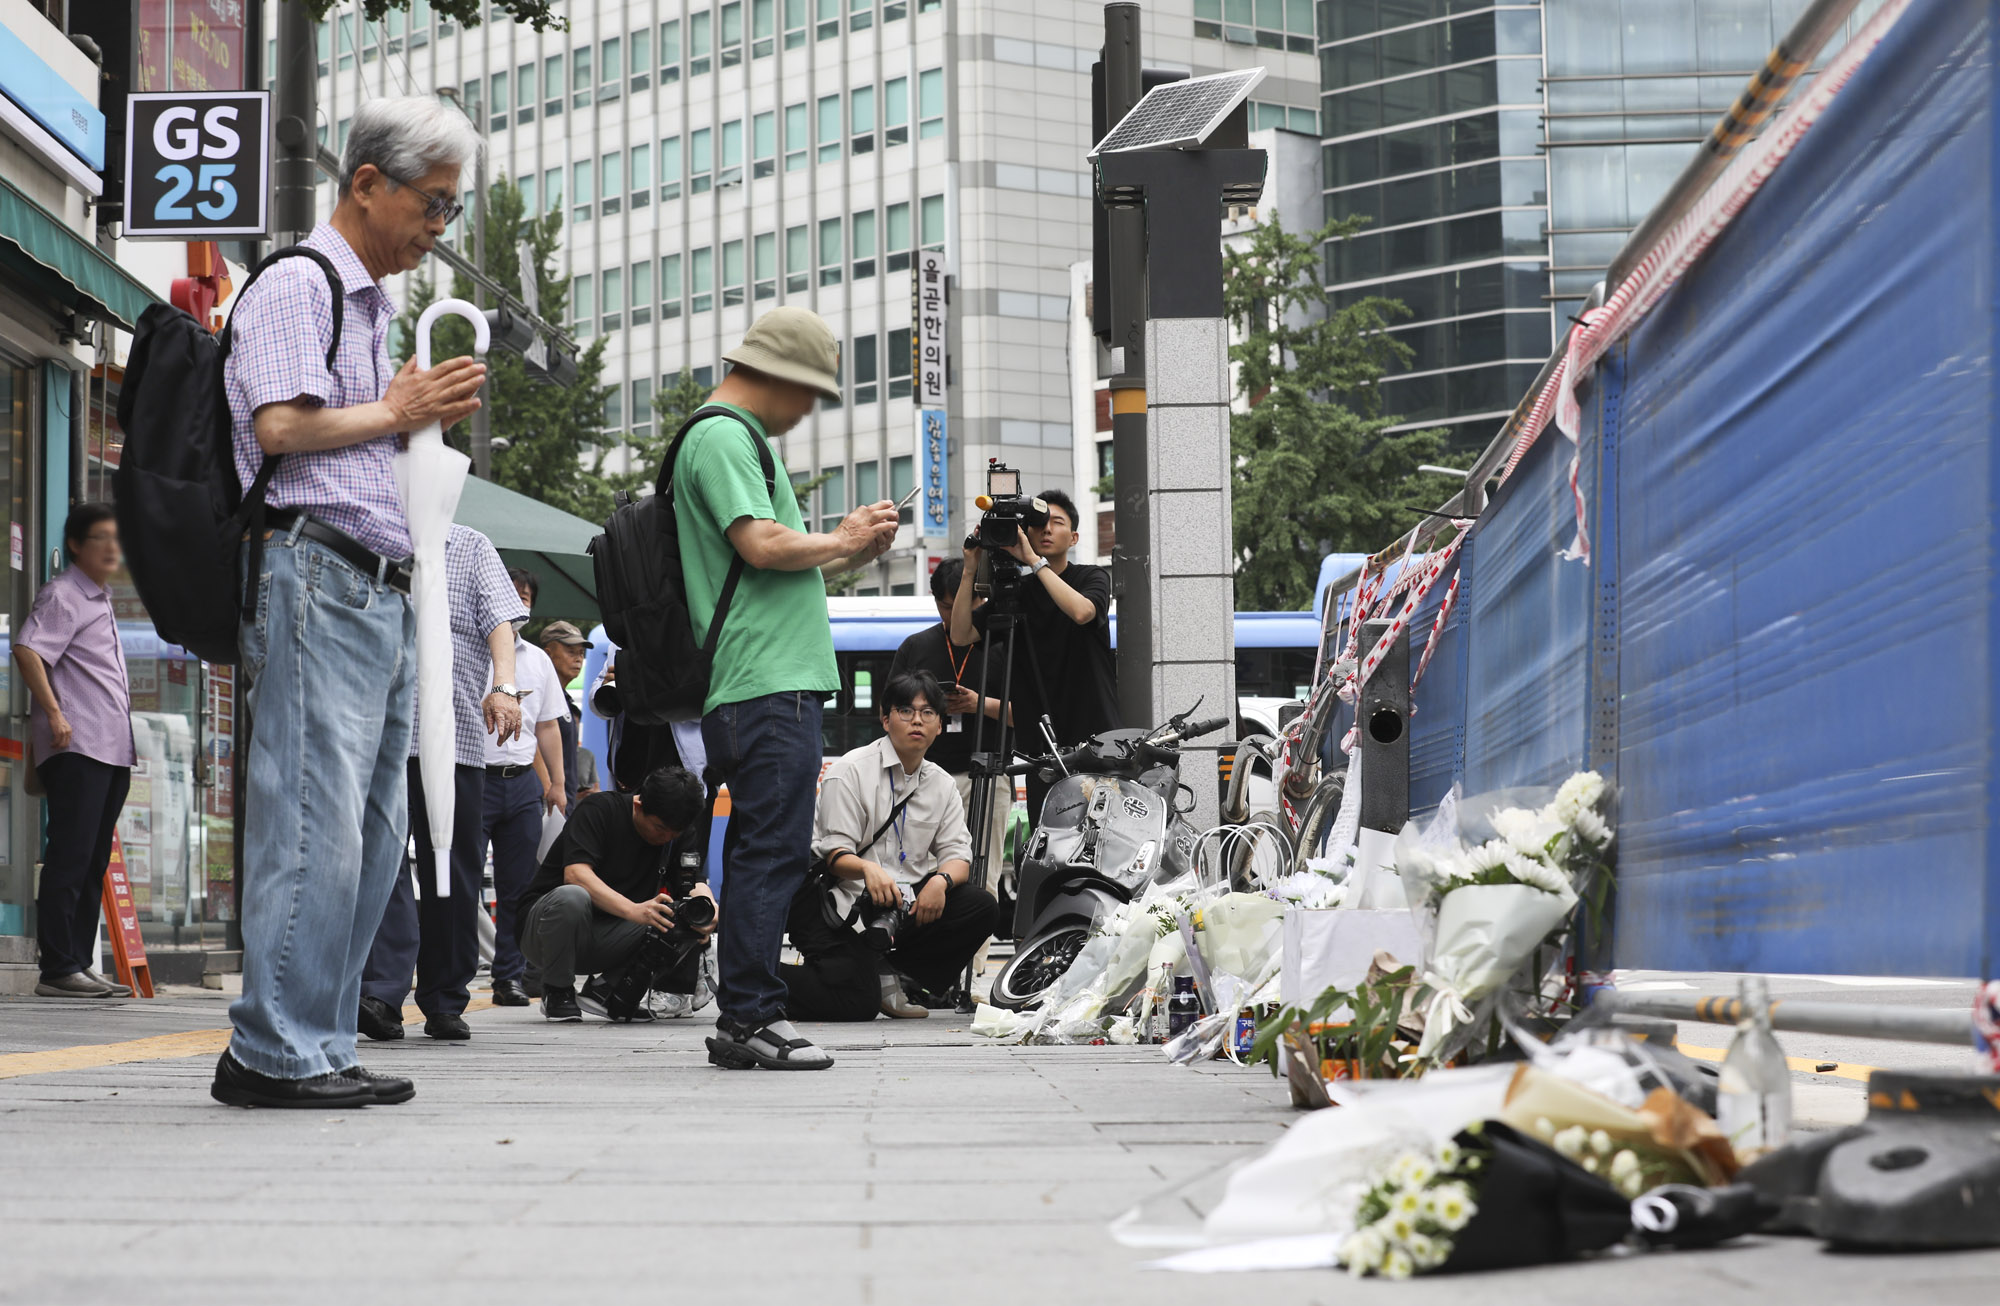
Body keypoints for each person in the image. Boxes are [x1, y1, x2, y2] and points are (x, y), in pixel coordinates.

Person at [212, 96, 485, 1109]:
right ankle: (271, 1047)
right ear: (367, 183)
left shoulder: (368, 303)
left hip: (374, 582)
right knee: (315, 823)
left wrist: (402, 416)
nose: (439, 228)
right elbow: (280, 427)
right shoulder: (301, 281)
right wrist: (399, 408)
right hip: (315, 572)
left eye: (451, 210)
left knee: (371, 835)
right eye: (434, 204)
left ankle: (318, 1036)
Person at [676, 307, 899, 1071]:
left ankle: (747, 1017)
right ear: (775, 374)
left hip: (765, 682)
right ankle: (750, 1018)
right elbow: (761, 545)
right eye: (807, 393)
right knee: (769, 853)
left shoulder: (728, 440)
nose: (806, 412)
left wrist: (847, 541)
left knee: (760, 850)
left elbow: (774, 558)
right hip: (765, 683)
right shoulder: (724, 436)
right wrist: (843, 541)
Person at [358, 523, 525, 1042]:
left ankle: (445, 997)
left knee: (452, 867)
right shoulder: (372, 531)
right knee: (382, 860)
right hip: (381, 733)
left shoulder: (471, 545)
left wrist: (504, 685)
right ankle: (381, 992)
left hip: (455, 737)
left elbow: (502, 623)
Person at [782, 672, 998, 1021]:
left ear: (940, 726)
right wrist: (868, 869)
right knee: (858, 1004)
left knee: (980, 906)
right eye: (905, 711)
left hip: (900, 909)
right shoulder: (848, 771)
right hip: (841, 907)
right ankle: (761, 980)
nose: (917, 720)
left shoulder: (941, 784)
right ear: (886, 719)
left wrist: (939, 883)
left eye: (928, 713)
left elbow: (958, 856)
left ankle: (894, 974)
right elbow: (834, 853)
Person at [14, 504, 135, 999]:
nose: (112, 548)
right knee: (70, 854)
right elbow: (27, 649)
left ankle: (76, 965)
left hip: (110, 749)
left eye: (116, 537)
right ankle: (58, 966)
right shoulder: (64, 595)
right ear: (78, 546)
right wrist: (55, 713)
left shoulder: (99, 599)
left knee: (92, 861)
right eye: (101, 538)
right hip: (78, 745)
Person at [951, 488, 1118, 827]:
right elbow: (961, 634)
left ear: (1073, 537)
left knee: (1098, 839)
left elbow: (1083, 612)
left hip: (1094, 740)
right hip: (1040, 748)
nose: (1045, 530)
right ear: (1024, 532)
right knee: (1048, 842)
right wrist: (970, 570)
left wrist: (1033, 562)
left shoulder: (1092, 577)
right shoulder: (1017, 593)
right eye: (1037, 524)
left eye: (1056, 523)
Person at [516, 766, 712, 1021]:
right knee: (573, 896)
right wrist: (634, 910)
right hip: (547, 932)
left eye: (674, 834)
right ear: (639, 805)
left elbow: (692, 881)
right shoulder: (600, 810)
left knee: (682, 917)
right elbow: (575, 874)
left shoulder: (677, 832)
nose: (666, 838)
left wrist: (707, 906)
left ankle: (608, 991)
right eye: (660, 829)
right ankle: (557, 990)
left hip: (608, 937)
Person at [888, 559, 1012, 893]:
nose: (954, 613)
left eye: (966, 604)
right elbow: (888, 713)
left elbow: (1029, 717)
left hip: (989, 774)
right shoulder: (916, 647)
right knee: (921, 873)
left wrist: (977, 704)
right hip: (925, 774)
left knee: (984, 876)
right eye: (945, 606)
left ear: (981, 600)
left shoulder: (1003, 646)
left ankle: (976, 948)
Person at [482, 611, 568, 1006]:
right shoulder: (469, 649)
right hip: (473, 777)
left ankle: (509, 978)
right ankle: (452, 972)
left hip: (522, 783)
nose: (516, 606)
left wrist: (558, 783)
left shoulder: (537, 658)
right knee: (459, 881)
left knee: (519, 888)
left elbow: (547, 725)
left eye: (525, 598)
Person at [539, 620, 591, 812]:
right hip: (545, 803)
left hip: (563, 802)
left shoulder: (565, 700)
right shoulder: (540, 696)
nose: (578, 658)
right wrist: (549, 788)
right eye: (571, 651)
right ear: (548, 654)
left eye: (581, 653)